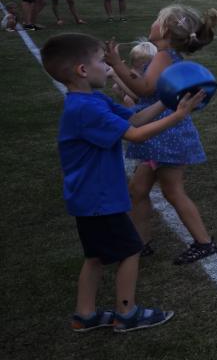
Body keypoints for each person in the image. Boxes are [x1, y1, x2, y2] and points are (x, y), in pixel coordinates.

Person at [42, 33, 203, 333]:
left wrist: (168, 102)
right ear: (82, 70)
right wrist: (180, 114)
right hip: (99, 197)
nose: (108, 68)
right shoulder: (86, 109)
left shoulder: (93, 100)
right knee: (130, 250)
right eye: (102, 62)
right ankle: (126, 313)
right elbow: (136, 135)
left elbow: (134, 119)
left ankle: (85, 315)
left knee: (95, 256)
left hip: (89, 196)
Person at [106, 4, 217, 264]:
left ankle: (204, 242)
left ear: (166, 29)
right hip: (160, 132)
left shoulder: (163, 56)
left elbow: (145, 89)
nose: (153, 23)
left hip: (166, 134)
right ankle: (140, 242)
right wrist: (121, 78)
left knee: (173, 191)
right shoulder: (164, 55)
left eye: (157, 20)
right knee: (137, 189)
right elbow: (146, 93)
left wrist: (116, 64)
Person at [113, 39, 157, 108]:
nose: (133, 70)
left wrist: (115, 76)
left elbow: (138, 96)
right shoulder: (136, 74)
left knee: (128, 99)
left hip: (150, 106)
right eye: (133, 65)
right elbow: (116, 88)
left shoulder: (151, 79)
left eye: (140, 67)